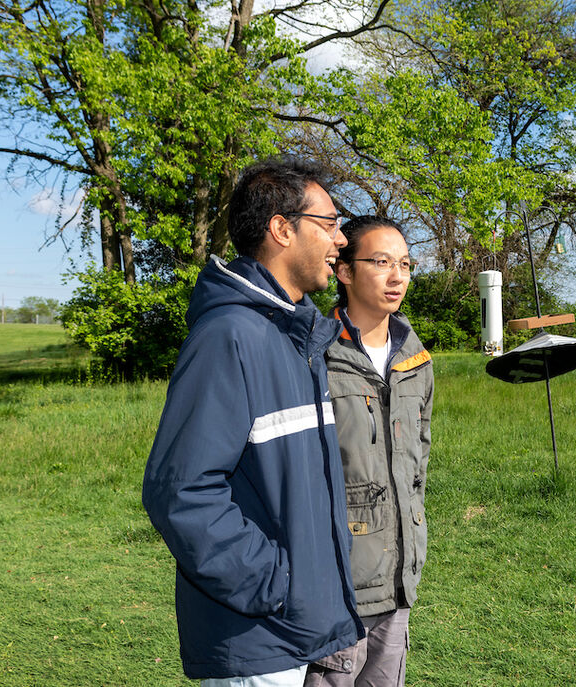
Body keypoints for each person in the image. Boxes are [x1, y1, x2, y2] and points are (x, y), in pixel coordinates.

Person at [143, 157, 364, 686]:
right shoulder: (230, 336)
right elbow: (181, 491)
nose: (341, 242)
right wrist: (274, 582)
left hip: (289, 630)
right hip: (255, 637)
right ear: (282, 229)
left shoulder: (293, 337)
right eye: (330, 224)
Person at [304, 217, 433, 687]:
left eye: (404, 264)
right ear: (343, 270)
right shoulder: (313, 356)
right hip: (337, 585)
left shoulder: (415, 359)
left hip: (397, 580)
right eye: (380, 262)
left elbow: (418, 462)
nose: (396, 276)